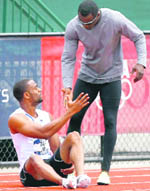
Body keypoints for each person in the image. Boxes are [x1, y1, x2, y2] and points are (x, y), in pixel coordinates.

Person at [61, 0, 147, 185]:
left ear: (98, 15)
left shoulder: (114, 18)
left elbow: (139, 36)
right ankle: (70, 169)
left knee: (110, 120)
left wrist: (141, 62)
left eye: (90, 23)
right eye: (83, 23)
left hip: (112, 78)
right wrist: (67, 85)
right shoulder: (73, 26)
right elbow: (68, 57)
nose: (86, 27)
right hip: (87, 77)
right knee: (74, 119)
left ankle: (105, 171)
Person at [8, 79, 91, 189]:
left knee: (74, 135)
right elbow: (43, 133)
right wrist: (70, 112)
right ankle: (64, 182)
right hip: (32, 173)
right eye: (36, 88)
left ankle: (80, 177)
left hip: (51, 166)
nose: (40, 89)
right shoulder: (16, 118)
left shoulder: (46, 116)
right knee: (34, 158)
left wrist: (68, 161)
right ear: (27, 95)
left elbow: (56, 148)